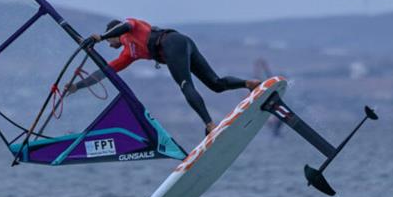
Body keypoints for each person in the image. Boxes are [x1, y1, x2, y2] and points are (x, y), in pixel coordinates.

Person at [65, 18, 260, 135]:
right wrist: (77, 86)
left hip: (174, 42)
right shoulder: (128, 54)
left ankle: (210, 125)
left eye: (110, 41)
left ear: (113, 34)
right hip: (181, 44)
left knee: (186, 85)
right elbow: (104, 72)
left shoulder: (131, 27)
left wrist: (102, 36)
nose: (110, 45)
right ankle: (249, 83)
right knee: (215, 84)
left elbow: (125, 26)